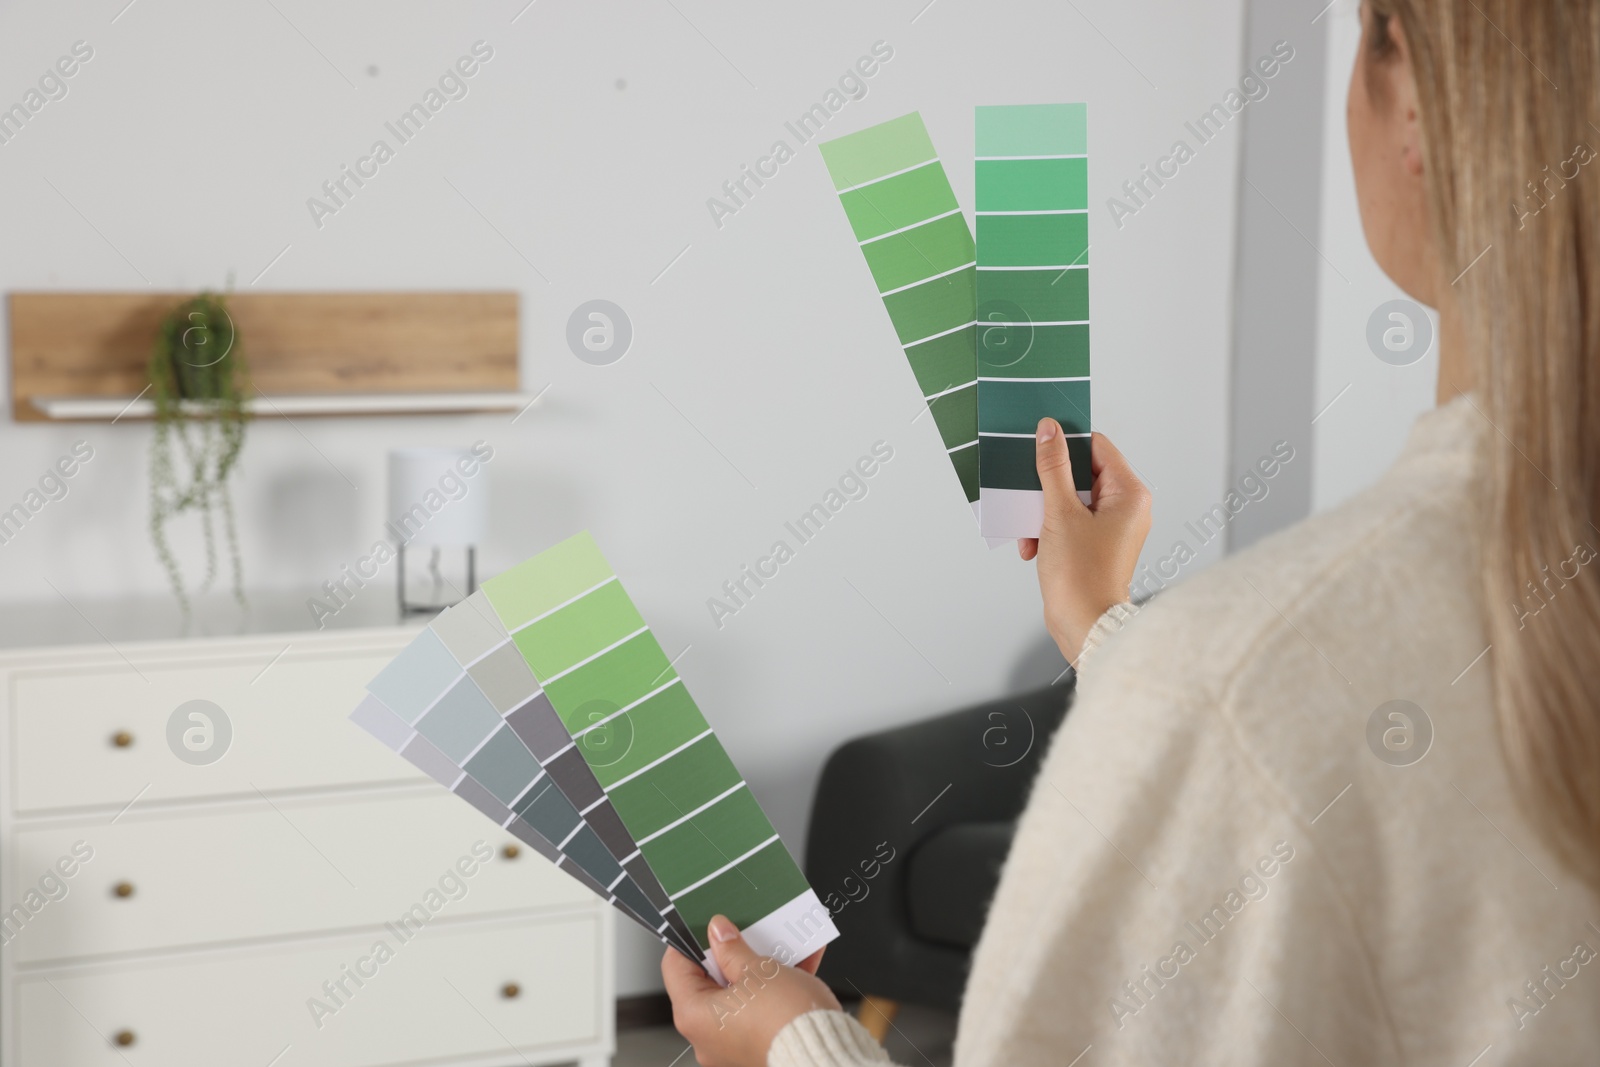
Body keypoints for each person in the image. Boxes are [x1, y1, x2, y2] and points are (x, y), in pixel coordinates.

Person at [664, 0, 1600, 1062]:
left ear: (1417, 110)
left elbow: (1266, 723)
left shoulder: (1231, 674)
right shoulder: (1227, 678)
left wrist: (794, 1039)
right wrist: (1109, 629)